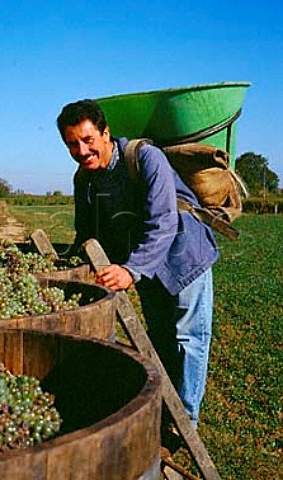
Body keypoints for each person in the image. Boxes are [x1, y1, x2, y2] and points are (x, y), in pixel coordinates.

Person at [56, 99, 219, 429]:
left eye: (88, 140)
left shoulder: (145, 157)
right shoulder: (83, 179)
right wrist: (71, 266)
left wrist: (131, 270)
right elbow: (86, 232)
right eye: (73, 144)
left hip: (184, 254)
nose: (82, 150)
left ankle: (184, 421)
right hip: (146, 261)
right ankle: (161, 404)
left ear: (106, 133)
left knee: (189, 338)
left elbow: (163, 221)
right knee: (159, 335)